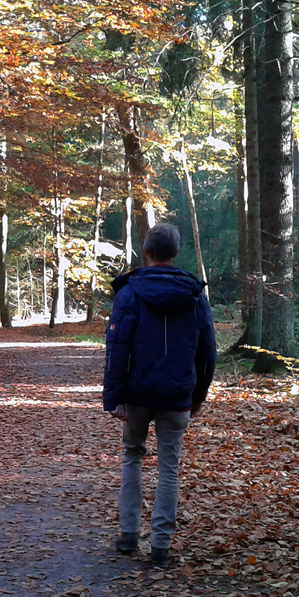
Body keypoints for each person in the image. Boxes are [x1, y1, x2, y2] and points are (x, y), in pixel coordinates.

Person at [103, 224, 216, 567]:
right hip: (178, 394)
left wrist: (113, 397)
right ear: (175, 253)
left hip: (137, 393)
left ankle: (128, 535)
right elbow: (208, 352)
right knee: (169, 468)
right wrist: (198, 395)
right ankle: (161, 547)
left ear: (146, 252)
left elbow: (117, 347)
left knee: (132, 457)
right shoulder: (194, 295)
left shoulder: (130, 293)